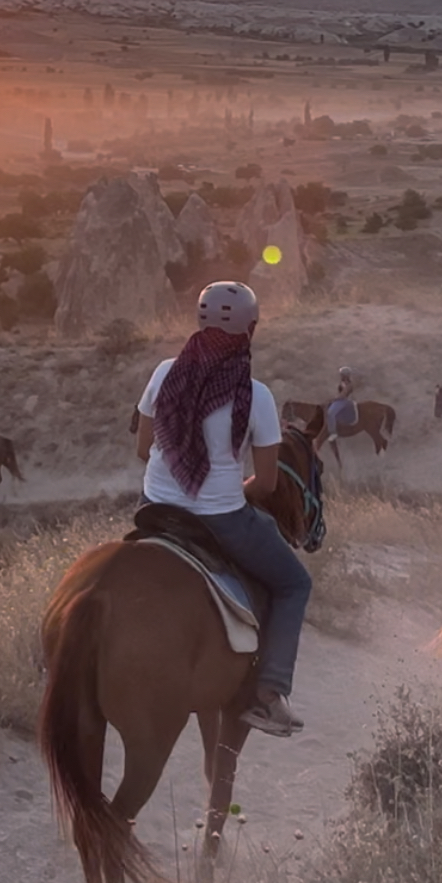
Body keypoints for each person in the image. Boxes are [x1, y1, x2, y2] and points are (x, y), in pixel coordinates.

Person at [135, 280, 312, 738]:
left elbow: (142, 448)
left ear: (200, 321)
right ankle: (270, 694)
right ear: (250, 330)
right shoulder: (257, 396)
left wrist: (176, 479)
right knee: (295, 583)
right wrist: (227, 490)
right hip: (221, 519)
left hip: (153, 506)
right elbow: (269, 483)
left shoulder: (163, 374)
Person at [325, 368, 358, 444]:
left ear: (346, 375)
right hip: (340, 400)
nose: (341, 376)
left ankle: (333, 432)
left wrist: (333, 399)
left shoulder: (349, 385)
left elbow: (343, 395)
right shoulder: (342, 383)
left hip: (345, 401)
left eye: (342, 375)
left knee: (330, 413)